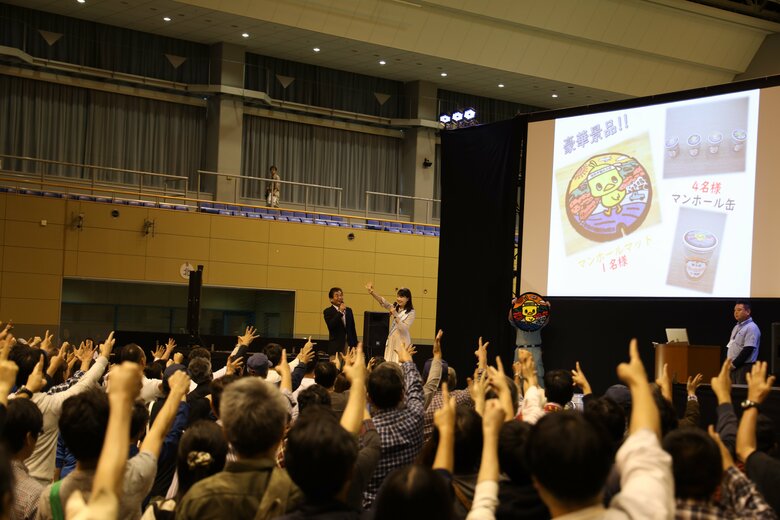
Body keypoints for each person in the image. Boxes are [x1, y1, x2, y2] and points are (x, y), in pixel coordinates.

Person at [365, 283, 415, 363]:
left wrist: (395, 315)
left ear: (408, 298)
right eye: (398, 296)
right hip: (392, 341)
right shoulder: (395, 307)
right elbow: (383, 302)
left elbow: (404, 329)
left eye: (401, 297)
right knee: (388, 363)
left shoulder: (411, 312)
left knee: (399, 364)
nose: (398, 299)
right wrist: (372, 292)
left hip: (401, 342)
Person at [509, 297, 550, 388]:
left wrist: (547, 309)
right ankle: (519, 399)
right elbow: (511, 319)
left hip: (535, 349)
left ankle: (539, 397)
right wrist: (513, 306)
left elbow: (545, 321)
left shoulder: (537, 321)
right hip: (520, 349)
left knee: (537, 374)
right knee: (518, 374)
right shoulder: (519, 321)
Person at [726, 301, 760, 384]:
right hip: (733, 367)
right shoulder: (736, 327)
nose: (736, 312)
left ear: (748, 311)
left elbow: (748, 349)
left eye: (739, 310)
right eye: (734, 310)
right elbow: (732, 345)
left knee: (741, 394)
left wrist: (734, 365)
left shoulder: (752, 327)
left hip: (744, 367)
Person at [323, 288, 358, 355]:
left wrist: (355, 345)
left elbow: (352, 329)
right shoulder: (328, 311)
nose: (340, 297)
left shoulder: (349, 310)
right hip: (336, 347)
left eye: (341, 295)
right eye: (337, 295)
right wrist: (340, 312)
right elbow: (331, 325)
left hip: (349, 346)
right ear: (331, 299)